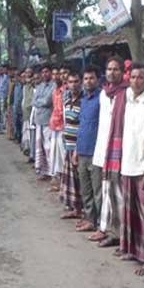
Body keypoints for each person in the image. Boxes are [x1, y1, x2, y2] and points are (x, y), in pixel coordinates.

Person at [116, 63, 144, 275]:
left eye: (140, 77)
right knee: (129, 212)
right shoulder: (128, 100)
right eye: (132, 77)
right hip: (127, 164)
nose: (136, 81)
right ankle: (131, 250)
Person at [89, 56, 129, 247]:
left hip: (118, 151)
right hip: (101, 149)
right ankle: (104, 228)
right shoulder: (104, 94)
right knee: (103, 192)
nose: (112, 72)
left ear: (122, 72)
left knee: (117, 195)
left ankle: (118, 233)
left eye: (116, 69)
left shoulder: (126, 93)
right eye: (109, 69)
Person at [75, 66, 101, 233]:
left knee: (98, 191)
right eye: (86, 79)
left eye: (91, 78)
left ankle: (100, 224)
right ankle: (89, 219)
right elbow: (81, 125)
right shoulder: (83, 100)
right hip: (82, 150)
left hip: (96, 152)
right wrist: (76, 150)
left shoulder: (102, 99)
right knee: (86, 190)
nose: (88, 81)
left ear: (97, 80)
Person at [60, 71, 83, 220]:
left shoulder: (83, 101)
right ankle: (75, 209)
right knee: (71, 180)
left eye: (76, 81)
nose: (73, 85)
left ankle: (83, 212)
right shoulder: (67, 101)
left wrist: (77, 148)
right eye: (70, 82)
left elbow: (82, 126)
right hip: (67, 145)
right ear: (67, 84)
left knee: (80, 180)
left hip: (78, 147)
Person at [32, 65, 55, 180]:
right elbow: (33, 101)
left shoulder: (54, 86)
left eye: (47, 71)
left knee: (49, 147)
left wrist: (39, 101)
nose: (44, 74)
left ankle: (52, 173)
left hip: (48, 120)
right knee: (40, 147)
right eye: (43, 72)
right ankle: (43, 171)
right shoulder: (40, 86)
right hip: (39, 120)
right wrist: (41, 101)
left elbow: (47, 101)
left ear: (50, 73)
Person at [48, 65, 66, 191]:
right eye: (55, 74)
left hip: (64, 127)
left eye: (59, 74)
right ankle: (58, 179)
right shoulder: (55, 91)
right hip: (54, 125)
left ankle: (65, 183)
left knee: (64, 155)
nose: (57, 76)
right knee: (55, 155)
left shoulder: (66, 91)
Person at [21, 68, 34, 156]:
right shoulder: (25, 85)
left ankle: (31, 152)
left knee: (31, 133)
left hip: (32, 113)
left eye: (29, 72)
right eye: (26, 72)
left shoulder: (34, 85)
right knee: (26, 131)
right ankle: (27, 149)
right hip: (25, 112)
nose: (27, 74)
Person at [0, 65, 10, 134]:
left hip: (4, 97)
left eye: (3, 69)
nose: (1, 71)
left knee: (3, 112)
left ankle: (4, 128)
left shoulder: (7, 78)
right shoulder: (0, 77)